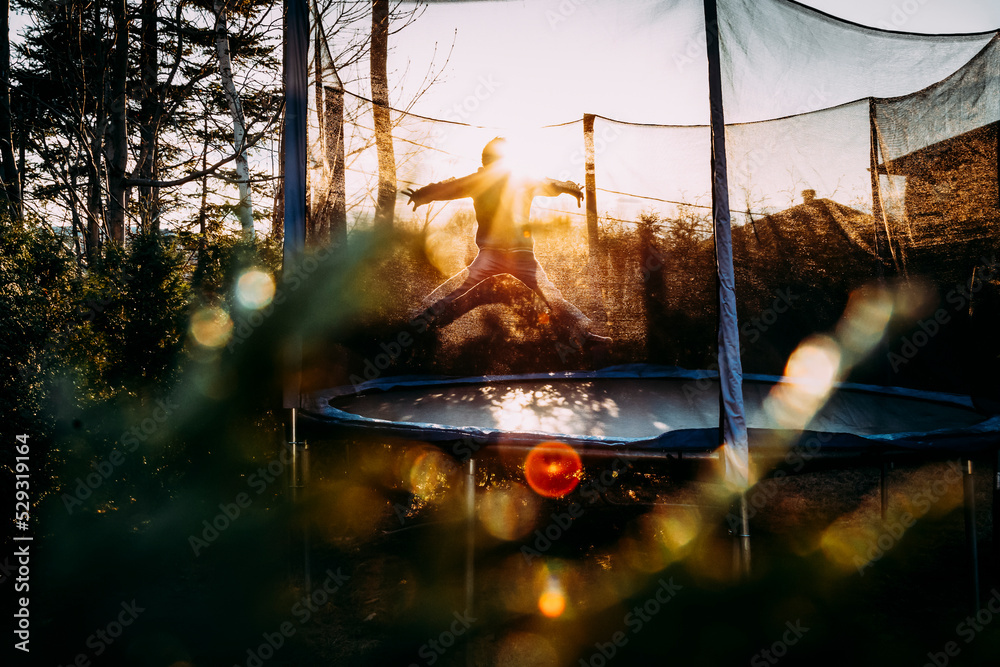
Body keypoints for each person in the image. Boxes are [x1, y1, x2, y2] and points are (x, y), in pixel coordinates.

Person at [401, 137, 610, 349]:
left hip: (512, 255)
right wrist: (422, 195)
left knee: (550, 295)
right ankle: (412, 322)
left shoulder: (512, 179)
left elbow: (550, 184)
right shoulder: (487, 180)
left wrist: (569, 187)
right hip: (502, 254)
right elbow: (451, 187)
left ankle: (585, 333)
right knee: (459, 288)